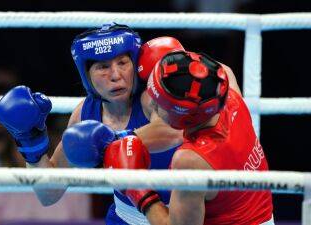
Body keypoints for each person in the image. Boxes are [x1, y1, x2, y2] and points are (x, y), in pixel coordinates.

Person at [0, 23, 184, 225]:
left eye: (122, 63)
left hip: (183, 215)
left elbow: (172, 131)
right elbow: (49, 194)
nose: (115, 75)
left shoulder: (150, 97)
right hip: (125, 218)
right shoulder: (85, 114)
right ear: (87, 75)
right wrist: (31, 143)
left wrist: (113, 142)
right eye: (103, 67)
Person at [91, 50, 274, 224]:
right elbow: (213, 70)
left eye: (160, 103)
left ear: (183, 117)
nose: (152, 105)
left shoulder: (191, 160)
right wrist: (178, 62)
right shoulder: (230, 96)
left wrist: (137, 188)